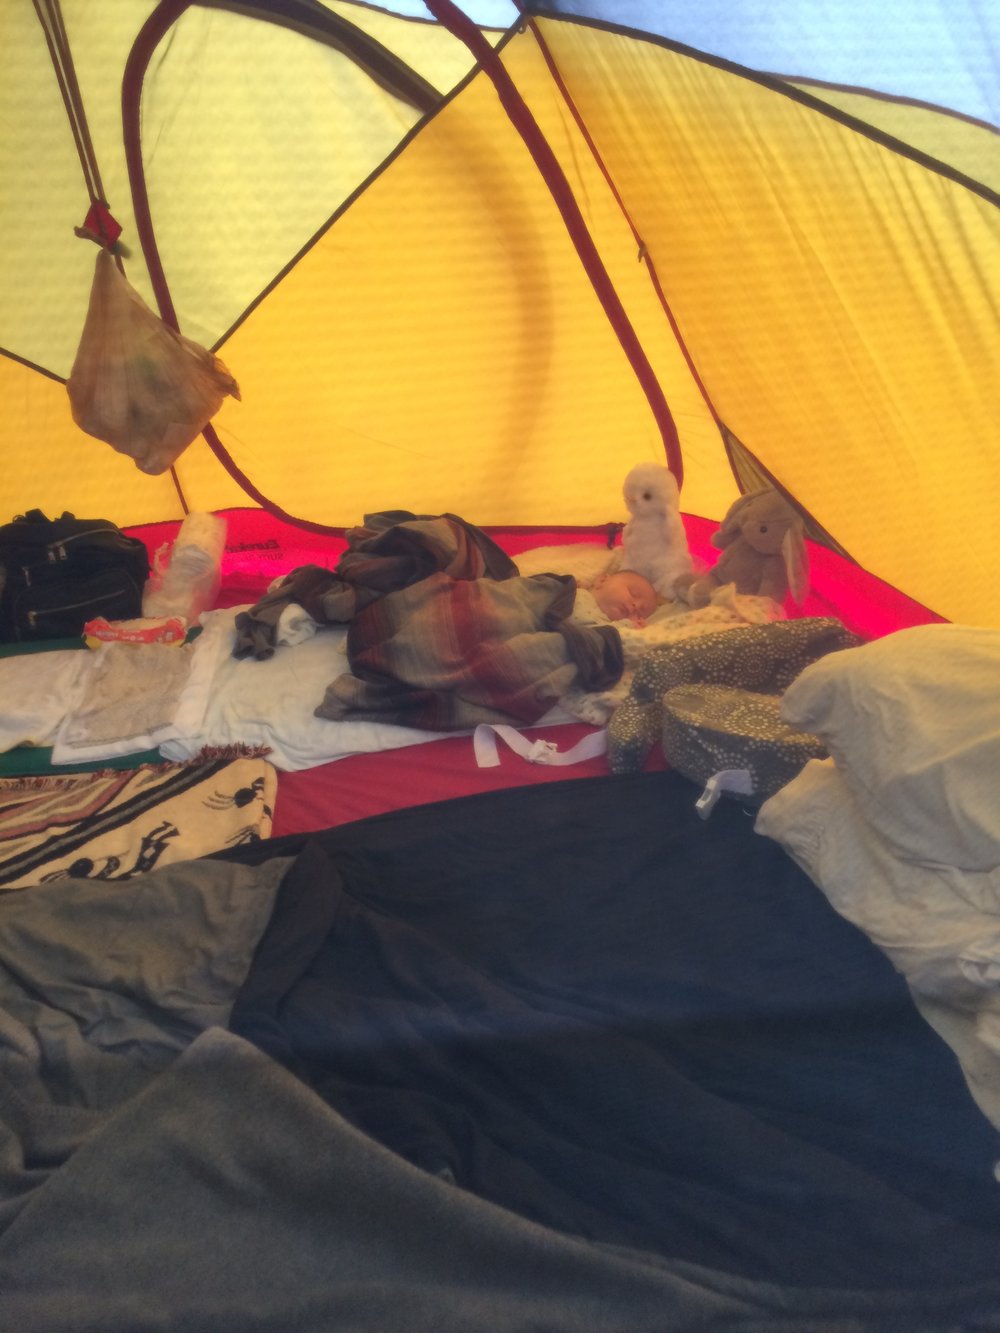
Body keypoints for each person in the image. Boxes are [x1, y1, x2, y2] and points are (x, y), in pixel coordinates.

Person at [575, 570, 659, 628]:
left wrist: (630, 626)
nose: (636, 606)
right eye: (633, 593)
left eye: (639, 614)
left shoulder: (608, 627)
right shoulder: (575, 591)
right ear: (602, 580)